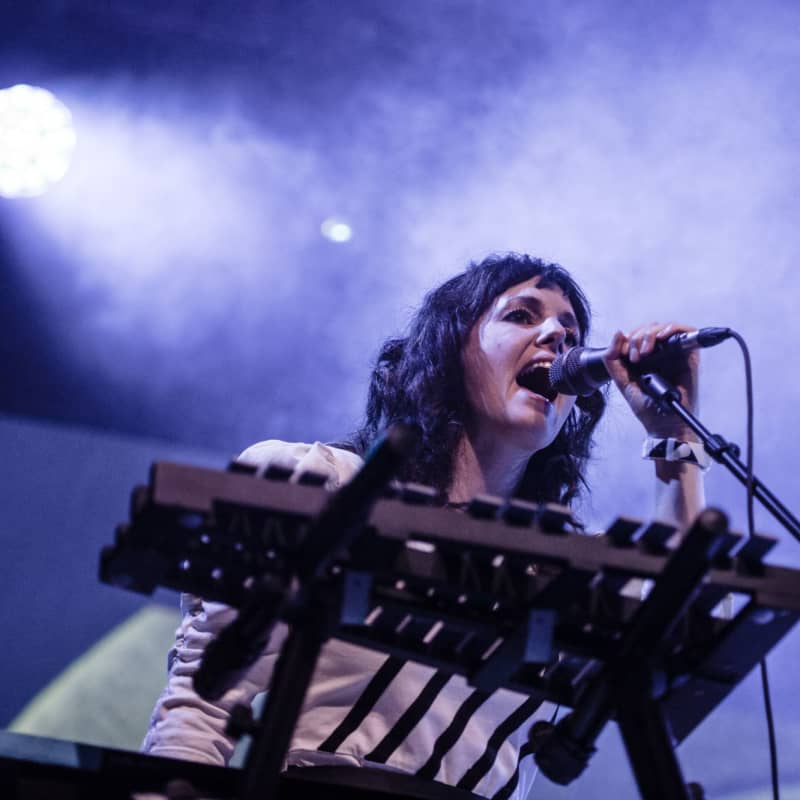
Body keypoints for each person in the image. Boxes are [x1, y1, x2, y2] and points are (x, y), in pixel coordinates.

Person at [142, 253, 705, 799]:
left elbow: (681, 617)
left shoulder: (567, 569)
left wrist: (677, 438)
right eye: (521, 315)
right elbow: (202, 702)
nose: (559, 337)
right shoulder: (320, 484)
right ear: (449, 349)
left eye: (571, 331)